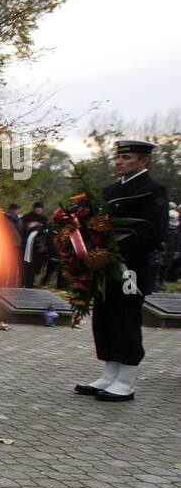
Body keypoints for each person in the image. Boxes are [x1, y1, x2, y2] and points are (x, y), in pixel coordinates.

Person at [75, 140, 170, 402]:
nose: (118, 161)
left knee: (126, 319)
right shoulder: (111, 190)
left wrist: (116, 250)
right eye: (118, 157)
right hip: (106, 267)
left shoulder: (153, 190)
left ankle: (126, 381)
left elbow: (153, 232)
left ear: (144, 161)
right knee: (105, 318)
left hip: (131, 268)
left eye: (126, 157)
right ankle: (109, 375)